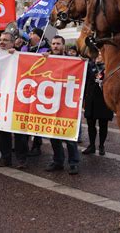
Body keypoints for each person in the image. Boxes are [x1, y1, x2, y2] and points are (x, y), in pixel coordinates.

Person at [42, 35, 80, 175]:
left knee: (69, 136)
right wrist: (42, 59)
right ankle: (58, 161)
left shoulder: (73, 61)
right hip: (51, 103)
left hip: (67, 103)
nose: (55, 46)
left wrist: (82, 62)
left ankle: (73, 163)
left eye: (58, 43)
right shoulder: (45, 58)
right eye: (53, 43)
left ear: (63, 46)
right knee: (53, 134)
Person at [0, 32, 29, 169]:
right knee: (2, 132)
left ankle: (22, 159)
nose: (2, 42)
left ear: (13, 43)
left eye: (6, 40)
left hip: (16, 98)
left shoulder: (19, 55)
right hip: (0, 100)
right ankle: (6, 158)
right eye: (1, 40)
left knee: (19, 132)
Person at [21, 28, 50, 156]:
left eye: (32, 33)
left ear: (39, 37)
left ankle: (37, 145)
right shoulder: (24, 48)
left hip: (39, 87)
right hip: (25, 86)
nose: (30, 35)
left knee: (36, 117)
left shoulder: (45, 50)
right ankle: (23, 144)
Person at [82, 52, 114, 156]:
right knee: (91, 124)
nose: (99, 56)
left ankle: (101, 145)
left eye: (101, 54)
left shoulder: (110, 67)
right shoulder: (89, 66)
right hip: (91, 99)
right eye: (98, 54)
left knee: (103, 125)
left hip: (104, 100)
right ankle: (91, 145)